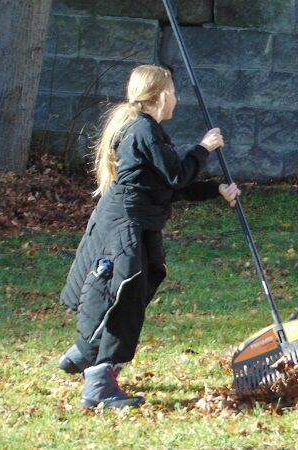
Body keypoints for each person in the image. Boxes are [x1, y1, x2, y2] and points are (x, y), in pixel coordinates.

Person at [57, 64, 241, 408]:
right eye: (174, 91)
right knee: (119, 296)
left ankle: (85, 354)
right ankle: (98, 381)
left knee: (133, 293)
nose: (177, 99)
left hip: (137, 224)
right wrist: (203, 148)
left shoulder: (148, 130)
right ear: (162, 95)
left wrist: (215, 189)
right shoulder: (143, 129)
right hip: (123, 227)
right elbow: (176, 175)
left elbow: (166, 186)